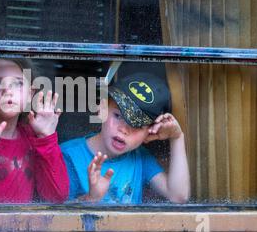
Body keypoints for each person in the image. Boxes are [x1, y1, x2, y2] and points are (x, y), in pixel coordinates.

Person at [61, 72, 190, 204]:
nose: (124, 129)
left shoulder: (139, 157)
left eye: (138, 125)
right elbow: (53, 216)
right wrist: (91, 199)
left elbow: (178, 196)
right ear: (102, 108)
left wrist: (177, 137)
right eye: (118, 116)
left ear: (150, 132)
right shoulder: (67, 156)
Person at [0, 58, 69, 203]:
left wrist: (46, 137)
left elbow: (57, 197)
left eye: (18, 84)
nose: (8, 91)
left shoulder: (32, 138)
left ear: (30, 94)